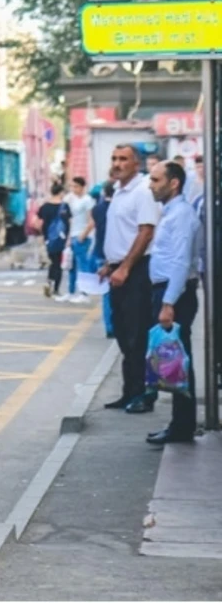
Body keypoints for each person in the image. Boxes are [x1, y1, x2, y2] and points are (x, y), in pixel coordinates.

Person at [98, 144, 161, 413]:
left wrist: (124, 267)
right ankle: (129, 391)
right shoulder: (118, 191)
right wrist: (109, 264)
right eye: (114, 158)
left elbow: (146, 232)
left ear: (137, 164)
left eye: (123, 159)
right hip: (118, 269)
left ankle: (144, 395)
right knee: (123, 334)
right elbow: (121, 234)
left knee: (137, 336)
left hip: (136, 271)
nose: (116, 163)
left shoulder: (143, 191)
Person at [145, 160, 200, 445]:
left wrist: (168, 303)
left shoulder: (181, 215)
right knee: (174, 359)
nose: (151, 185)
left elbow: (180, 261)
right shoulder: (171, 212)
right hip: (169, 291)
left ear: (173, 182)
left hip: (175, 293)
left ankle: (182, 427)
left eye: (155, 180)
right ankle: (180, 424)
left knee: (178, 360)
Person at [85, 181, 114, 338]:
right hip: (116, 255)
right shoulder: (118, 208)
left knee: (106, 294)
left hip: (100, 253)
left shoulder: (97, 209)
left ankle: (109, 327)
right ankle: (119, 324)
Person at [38, 182, 71, 300]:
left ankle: (49, 282)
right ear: (61, 192)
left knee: (53, 262)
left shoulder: (45, 207)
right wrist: (68, 238)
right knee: (59, 263)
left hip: (49, 239)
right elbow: (69, 223)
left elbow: (39, 223)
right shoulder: (64, 206)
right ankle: (56, 289)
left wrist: (43, 236)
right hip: (61, 238)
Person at [64, 177, 93, 303]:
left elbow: (91, 220)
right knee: (71, 266)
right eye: (71, 186)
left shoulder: (87, 200)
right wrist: (70, 237)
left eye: (75, 186)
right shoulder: (71, 199)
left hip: (82, 237)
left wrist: (83, 235)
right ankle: (70, 292)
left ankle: (84, 293)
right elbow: (71, 219)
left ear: (82, 187)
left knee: (83, 266)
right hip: (74, 235)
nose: (73, 189)